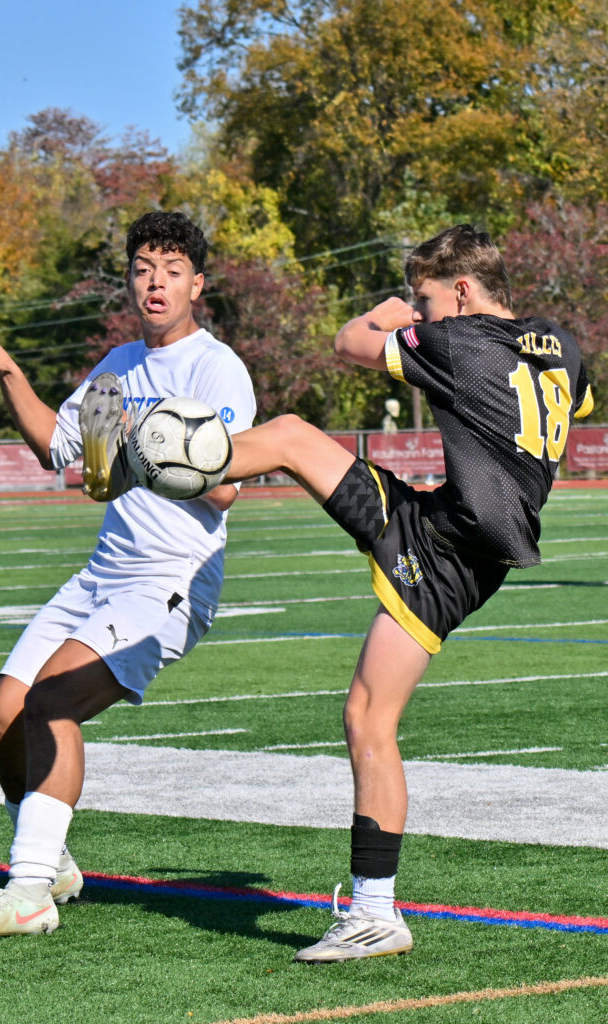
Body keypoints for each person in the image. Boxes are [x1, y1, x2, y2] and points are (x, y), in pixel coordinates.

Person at [220, 224, 593, 961]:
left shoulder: (459, 339)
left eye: (426, 298)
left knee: (368, 717)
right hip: (438, 523)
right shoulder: (559, 344)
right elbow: (573, 405)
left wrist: (387, 314)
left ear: (462, 290)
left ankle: (374, 912)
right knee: (290, 436)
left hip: (450, 553)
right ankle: (163, 463)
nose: (419, 312)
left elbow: (348, 342)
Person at [0, 211, 256, 940]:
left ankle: (27, 892)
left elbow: (226, 488)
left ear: (197, 285)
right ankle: (51, 865)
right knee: (0, 715)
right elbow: (61, 450)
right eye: (143, 269)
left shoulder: (216, 367)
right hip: (102, 574)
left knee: (52, 701)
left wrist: (149, 447)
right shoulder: (117, 365)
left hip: (170, 580)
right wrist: (10, 371)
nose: (155, 283)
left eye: (172, 271)